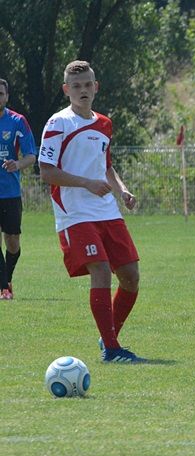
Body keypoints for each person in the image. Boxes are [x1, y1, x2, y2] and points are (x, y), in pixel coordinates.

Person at [38, 60, 145, 363]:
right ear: (66, 90)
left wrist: (121, 189)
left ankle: (107, 335)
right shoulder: (58, 123)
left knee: (131, 277)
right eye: (76, 86)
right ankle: (112, 350)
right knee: (100, 269)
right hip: (75, 212)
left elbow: (106, 164)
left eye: (87, 85)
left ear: (96, 87)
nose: (83, 90)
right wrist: (86, 184)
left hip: (107, 210)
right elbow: (46, 172)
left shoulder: (105, 123)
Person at [0, 78, 37, 300]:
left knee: (12, 242)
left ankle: (7, 279)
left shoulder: (17, 121)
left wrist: (17, 164)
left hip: (10, 192)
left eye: (1, 93)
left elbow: (31, 155)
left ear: (7, 96)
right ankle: (4, 286)